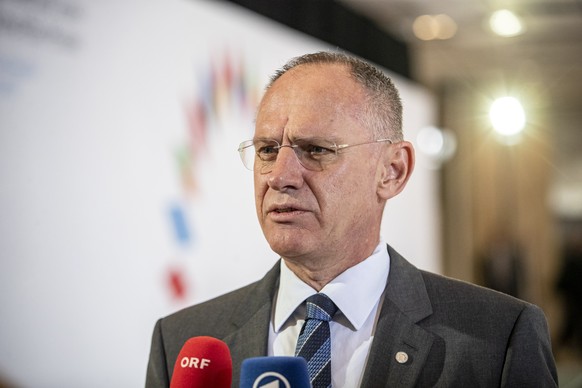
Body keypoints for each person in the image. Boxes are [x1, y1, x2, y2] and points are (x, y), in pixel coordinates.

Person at [146, 51, 557, 387]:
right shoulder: (182, 342)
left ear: (392, 171)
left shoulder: (498, 338)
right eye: (267, 149)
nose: (279, 176)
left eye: (316, 150)